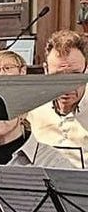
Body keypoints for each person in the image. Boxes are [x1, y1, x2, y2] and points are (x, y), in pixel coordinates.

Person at [27, 30, 88, 168]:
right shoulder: (32, 106)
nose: (67, 87)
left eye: (75, 75)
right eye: (58, 76)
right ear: (46, 70)